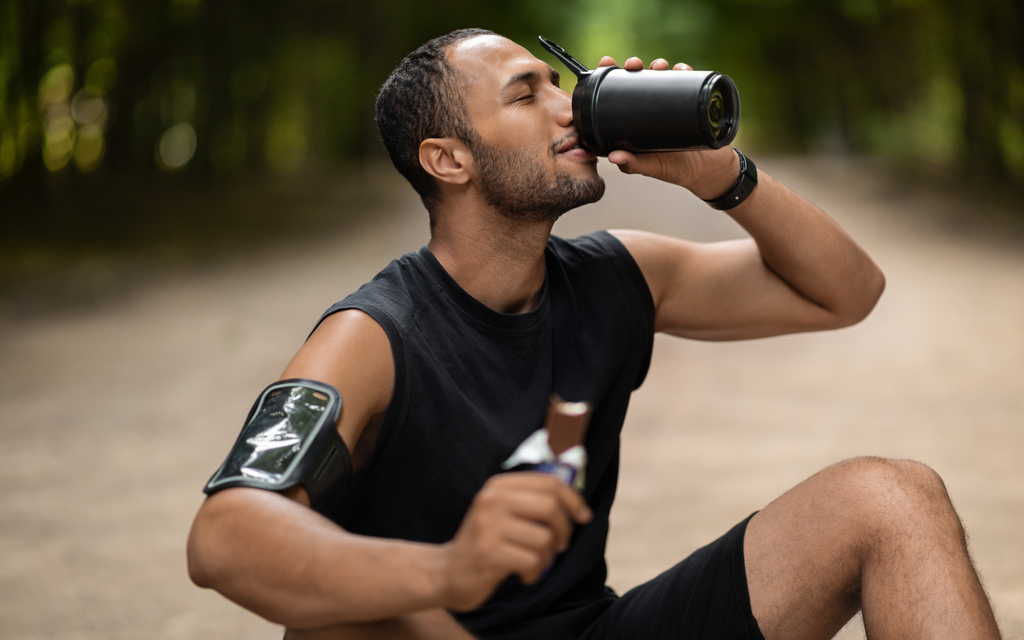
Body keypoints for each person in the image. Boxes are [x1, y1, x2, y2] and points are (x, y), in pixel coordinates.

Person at [186, 28, 1002, 640]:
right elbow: (224, 538)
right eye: (524, 94)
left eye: (560, 82)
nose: (570, 105)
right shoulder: (372, 335)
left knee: (892, 497)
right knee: (352, 618)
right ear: (448, 160)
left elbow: (846, 293)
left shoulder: (616, 278)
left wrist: (725, 178)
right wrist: (447, 570)